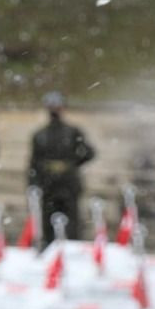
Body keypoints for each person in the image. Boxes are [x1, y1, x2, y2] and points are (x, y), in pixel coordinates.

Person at [27, 91, 95, 243]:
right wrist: (33, 184)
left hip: (68, 183)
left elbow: (89, 153)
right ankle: (49, 249)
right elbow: (34, 162)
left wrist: (71, 164)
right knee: (48, 221)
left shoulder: (72, 132)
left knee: (72, 221)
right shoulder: (40, 134)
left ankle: (72, 246)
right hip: (48, 183)